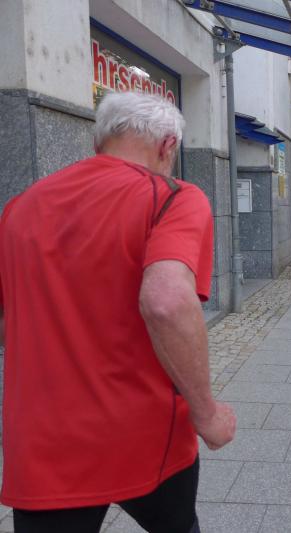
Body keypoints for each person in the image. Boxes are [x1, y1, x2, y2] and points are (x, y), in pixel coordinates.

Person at [0, 91, 236, 533]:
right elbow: (167, 301)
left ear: (99, 143)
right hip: (143, 432)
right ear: (167, 146)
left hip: (44, 443)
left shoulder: (20, 207)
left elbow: (7, 323)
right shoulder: (172, 197)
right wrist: (206, 414)